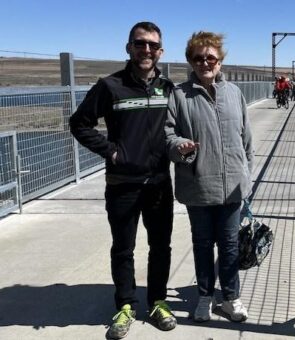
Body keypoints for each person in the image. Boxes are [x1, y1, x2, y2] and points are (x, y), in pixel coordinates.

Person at [69, 21, 177, 339]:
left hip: (158, 182)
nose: (147, 50)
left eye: (153, 46)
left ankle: (158, 302)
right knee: (123, 249)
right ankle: (125, 305)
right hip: (122, 184)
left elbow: (178, 129)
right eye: (140, 44)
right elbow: (80, 123)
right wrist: (111, 152)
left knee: (161, 247)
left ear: (161, 51)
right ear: (128, 47)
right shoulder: (110, 85)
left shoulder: (167, 88)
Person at [165, 31, 253, 323]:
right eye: (198, 58)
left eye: (210, 58)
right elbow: (168, 133)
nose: (205, 63)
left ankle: (230, 298)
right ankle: (205, 297)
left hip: (232, 188)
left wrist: (246, 173)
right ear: (190, 61)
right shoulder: (179, 95)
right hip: (198, 185)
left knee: (229, 246)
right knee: (203, 244)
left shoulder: (234, 93)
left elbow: (246, 138)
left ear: (220, 61)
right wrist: (180, 146)